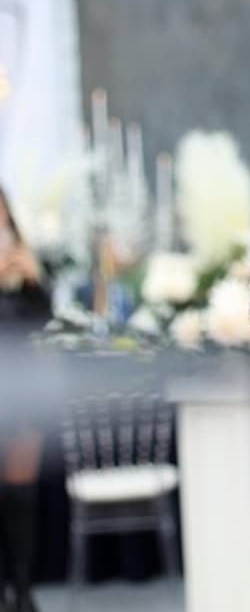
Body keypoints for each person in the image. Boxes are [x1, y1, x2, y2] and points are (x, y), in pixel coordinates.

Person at [0, 185, 51, 612]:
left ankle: (22, 587)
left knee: (21, 494)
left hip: (23, 385)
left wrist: (35, 281)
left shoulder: (23, 257)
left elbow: (46, 321)